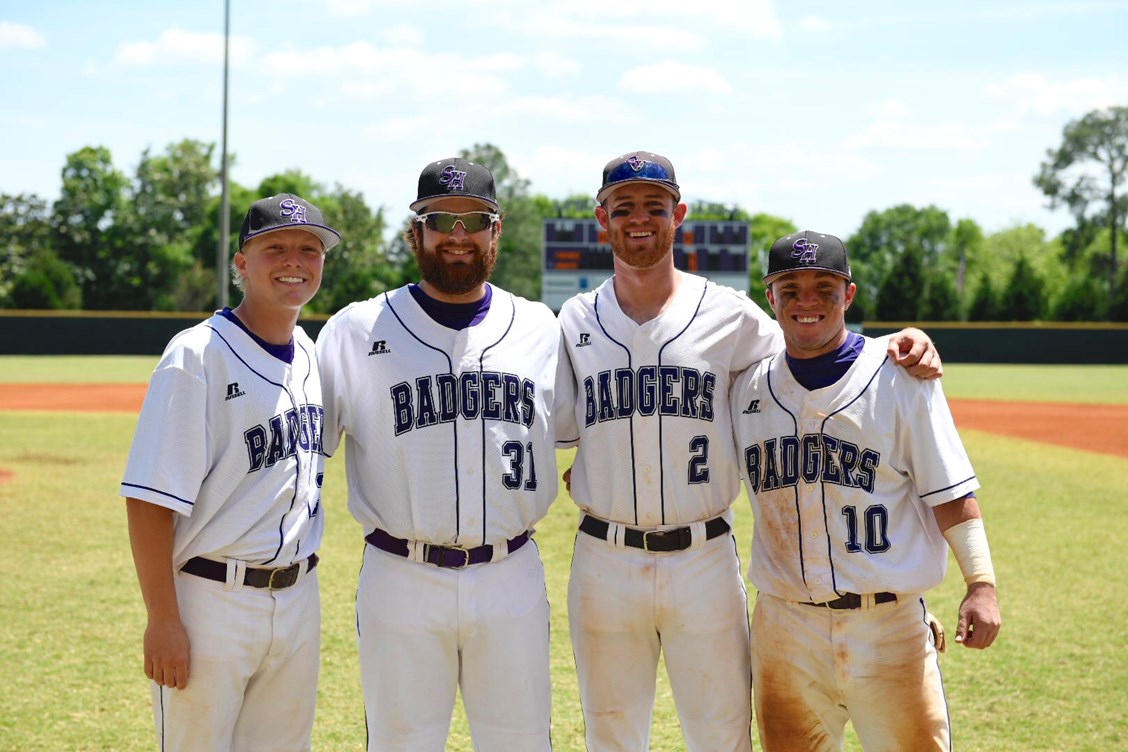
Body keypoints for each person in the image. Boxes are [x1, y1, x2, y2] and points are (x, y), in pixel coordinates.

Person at [554, 152, 943, 752]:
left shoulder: (729, 314)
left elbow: (814, 346)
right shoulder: (575, 318)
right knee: (610, 731)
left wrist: (896, 343)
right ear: (601, 219)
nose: (639, 220)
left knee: (722, 732)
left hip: (702, 554)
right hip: (604, 555)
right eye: (622, 208)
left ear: (677, 214)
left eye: (654, 207)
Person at [315, 157, 566, 751]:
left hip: (511, 573)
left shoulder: (539, 327)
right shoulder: (355, 329)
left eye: (474, 219)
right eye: (440, 220)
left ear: (496, 230)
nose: (458, 235)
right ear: (416, 232)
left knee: (521, 742)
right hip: (400, 574)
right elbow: (303, 449)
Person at [731, 230, 1001, 751]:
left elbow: (950, 490)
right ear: (771, 298)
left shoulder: (900, 376)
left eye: (823, 288)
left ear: (848, 295)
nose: (807, 301)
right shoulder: (746, 386)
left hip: (889, 625)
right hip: (786, 625)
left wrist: (981, 585)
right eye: (791, 288)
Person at [120, 192, 339, 751]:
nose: (294, 260)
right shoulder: (196, 356)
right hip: (210, 599)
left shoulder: (312, 355)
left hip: (297, 596)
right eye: (276, 248)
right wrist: (163, 621)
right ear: (241, 263)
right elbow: (148, 502)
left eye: (309, 249)